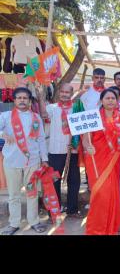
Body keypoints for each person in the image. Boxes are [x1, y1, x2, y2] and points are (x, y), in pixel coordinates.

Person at [0, 87, 49, 235]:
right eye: (19, 98)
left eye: (25, 98)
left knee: (32, 193)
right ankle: (14, 223)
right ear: (14, 100)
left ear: (29, 101)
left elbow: (41, 139)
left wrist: (44, 159)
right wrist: (3, 133)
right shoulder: (5, 116)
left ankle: (33, 221)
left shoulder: (36, 118)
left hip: (32, 162)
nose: (22, 100)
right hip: (11, 162)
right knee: (14, 195)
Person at [82, 88, 120, 235]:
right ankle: (97, 228)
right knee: (101, 194)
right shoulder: (93, 118)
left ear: (117, 101)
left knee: (114, 194)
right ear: (101, 101)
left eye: (113, 98)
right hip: (97, 160)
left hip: (116, 162)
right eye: (107, 98)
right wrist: (87, 146)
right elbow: (85, 138)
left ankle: (112, 226)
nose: (110, 101)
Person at [37, 83, 82, 218]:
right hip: (55, 152)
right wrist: (40, 98)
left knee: (74, 181)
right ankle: (54, 211)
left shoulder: (76, 108)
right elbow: (44, 114)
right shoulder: (52, 108)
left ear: (71, 93)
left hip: (72, 151)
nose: (64, 94)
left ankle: (72, 210)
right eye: (62, 92)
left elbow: (82, 128)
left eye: (67, 92)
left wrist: (76, 143)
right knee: (54, 181)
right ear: (59, 93)